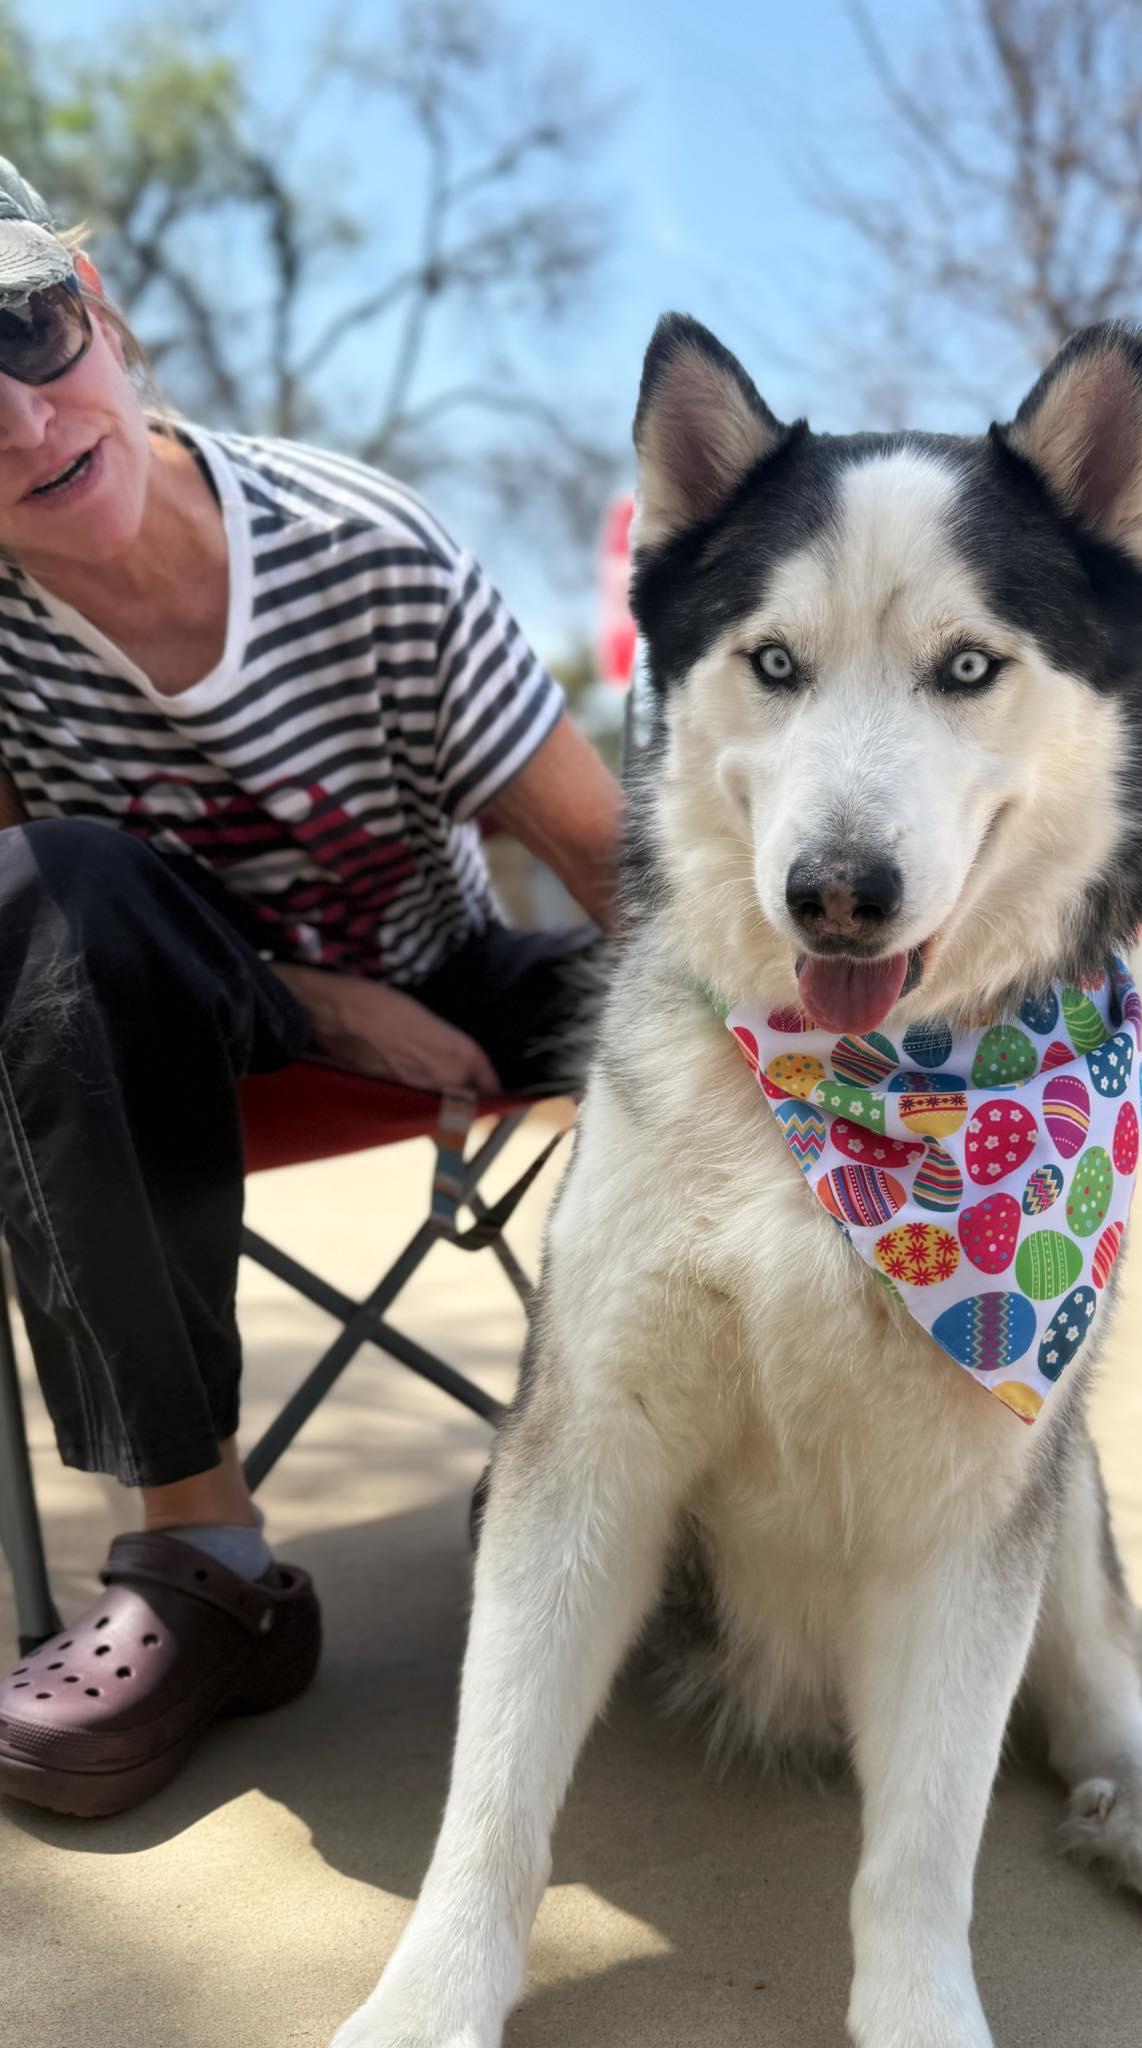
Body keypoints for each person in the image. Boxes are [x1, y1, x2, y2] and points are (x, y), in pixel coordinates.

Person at [0, 158, 622, 1817]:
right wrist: (311, 1005)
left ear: (103, 316)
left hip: (454, 966)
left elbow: (617, 862)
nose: (16, 417)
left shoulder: (366, 548)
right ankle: (201, 1559)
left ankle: (650, 1465)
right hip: (151, 1018)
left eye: (25, 326)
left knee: (695, 992)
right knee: (43, 891)